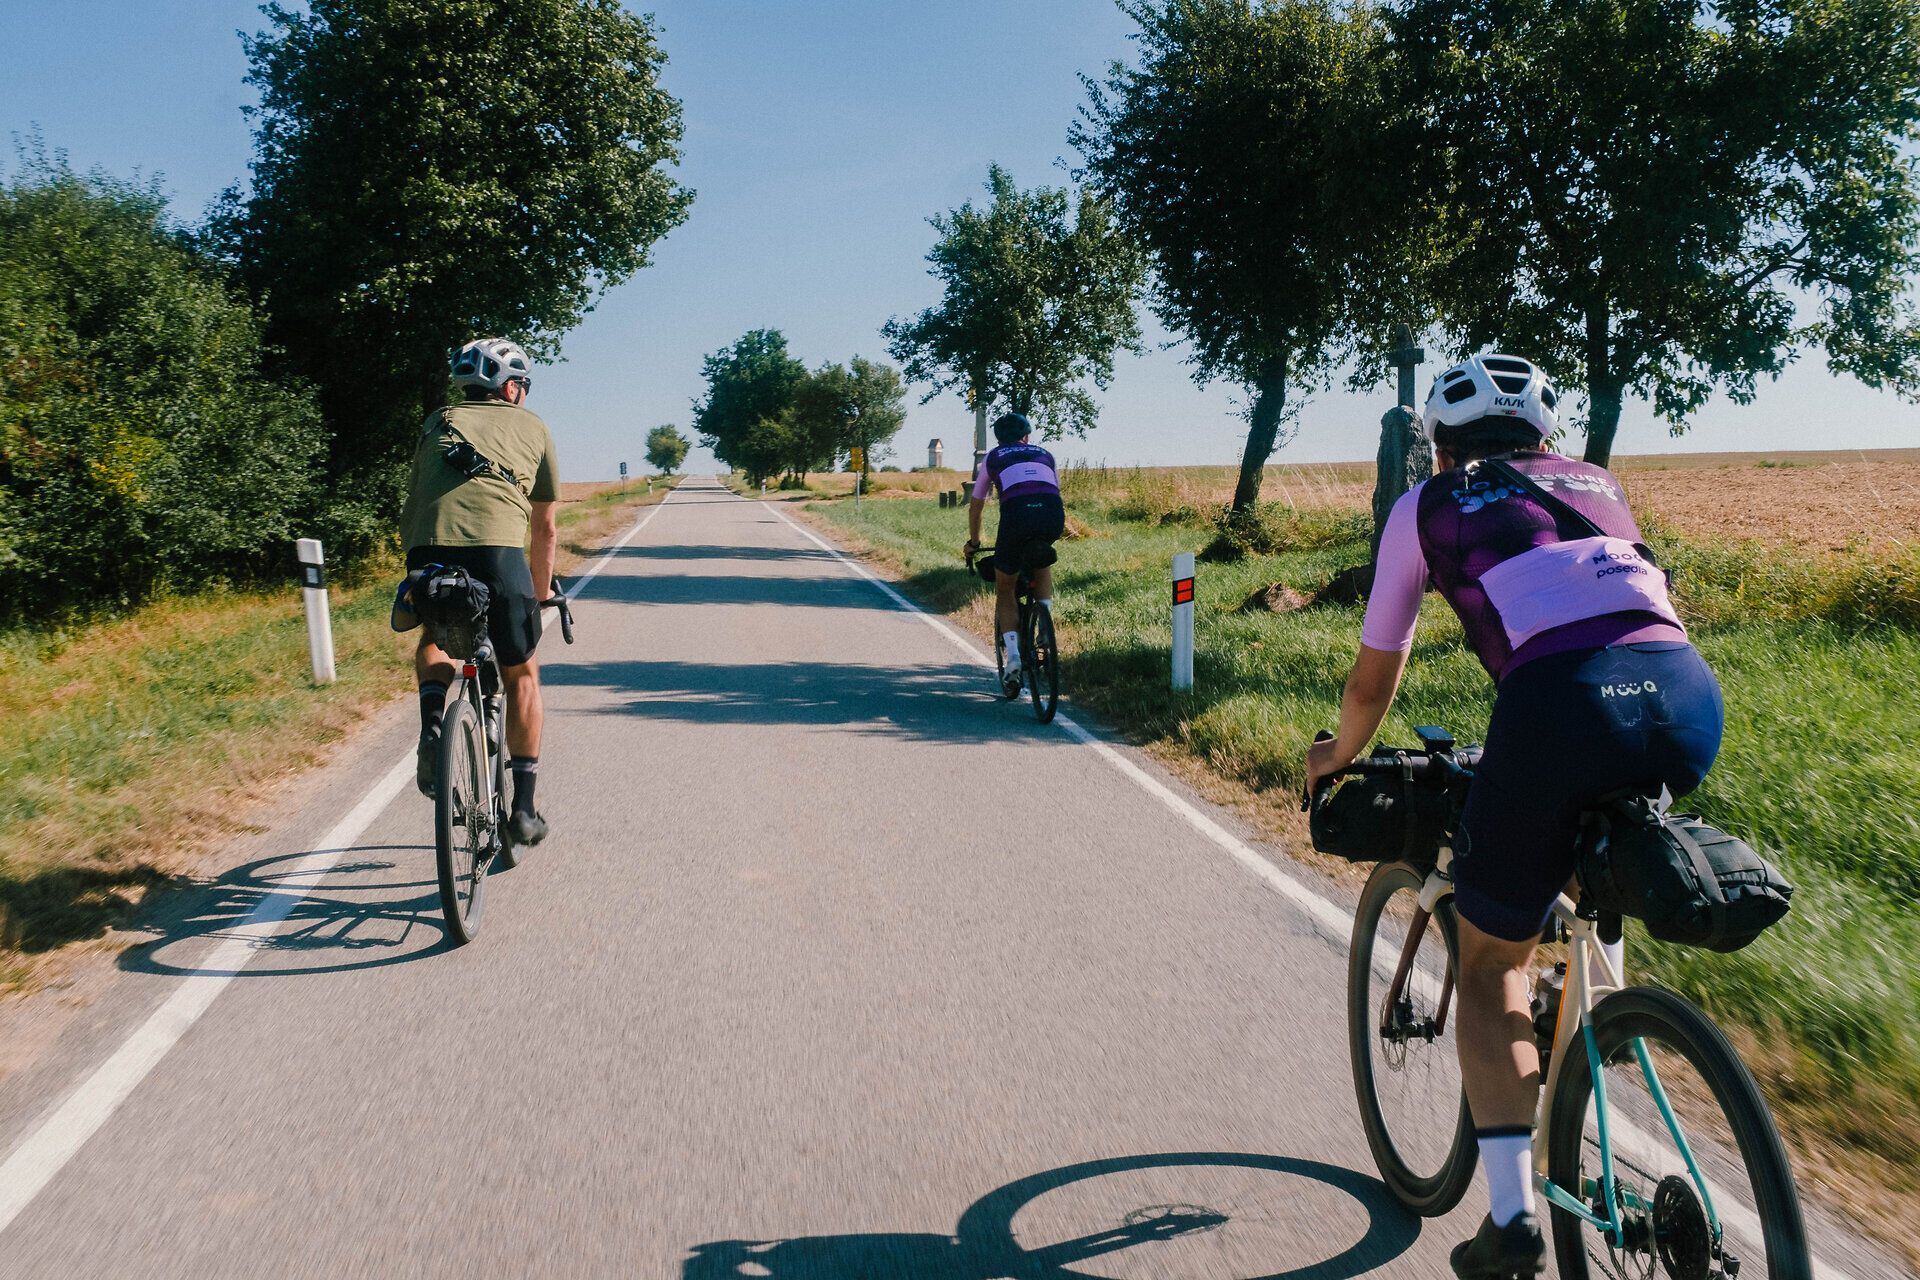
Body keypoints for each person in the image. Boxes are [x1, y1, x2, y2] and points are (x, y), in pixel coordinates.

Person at [1303, 354, 1723, 1277]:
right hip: (1688, 703)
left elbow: (1379, 668)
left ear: (1440, 447)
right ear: (1544, 437)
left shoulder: (1429, 506)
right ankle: (1598, 1023)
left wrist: (1338, 750)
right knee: (1576, 844)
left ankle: (1511, 1225)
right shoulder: (1597, 482)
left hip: (1562, 707)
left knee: (1493, 959)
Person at [400, 337, 562, 850]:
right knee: (523, 674)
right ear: (511, 387)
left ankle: (432, 725)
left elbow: (416, 495)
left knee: (436, 633)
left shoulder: (436, 422)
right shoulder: (532, 425)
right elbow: (547, 528)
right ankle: (524, 808)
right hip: (498, 555)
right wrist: (536, 595)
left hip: (426, 552)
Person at [964, 412, 1065, 695]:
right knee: (1041, 557)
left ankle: (1014, 659)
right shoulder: (1045, 454)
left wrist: (974, 541)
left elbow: (976, 505)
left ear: (998, 439)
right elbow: (1054, 491)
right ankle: (1044, 623)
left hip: (1016, 520)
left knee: (1005, 588)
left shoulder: (993, 458)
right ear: (1027, 437)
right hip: (1052, 517)